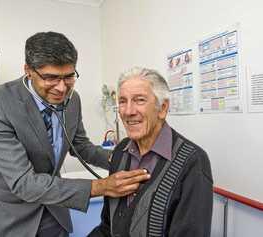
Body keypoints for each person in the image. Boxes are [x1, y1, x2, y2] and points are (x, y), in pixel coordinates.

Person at [0, 32, 150, 237]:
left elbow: (80, 146)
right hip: (12, 214)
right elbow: (24, 183)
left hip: (55, 209)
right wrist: (101, 186)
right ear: (28, 71)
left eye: (68, 76)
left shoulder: (72, 99)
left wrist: (121, 158)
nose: (61, 88)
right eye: (50, 77)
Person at [89, 67, 213, 237]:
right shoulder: (120, 152)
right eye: (123, 101)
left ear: (162, 108)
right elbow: (107, 227)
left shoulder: (193, 162)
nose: (128, 111)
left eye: (139, 100)